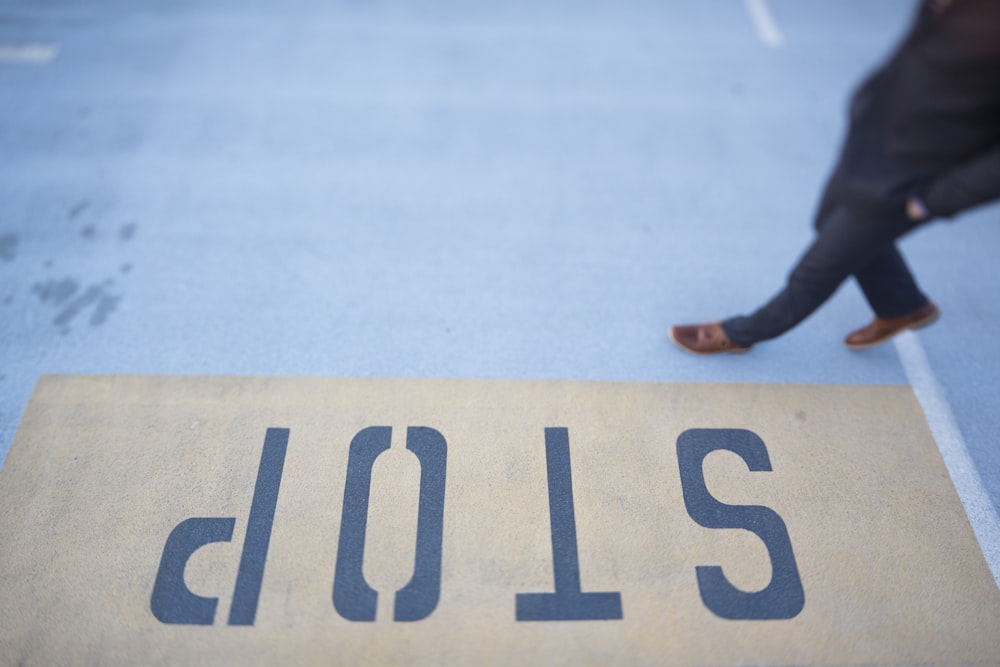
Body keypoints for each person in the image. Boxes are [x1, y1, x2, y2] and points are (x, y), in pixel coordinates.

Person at [670, 0, 1000, 355]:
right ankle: (902, 306)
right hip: (873, 140)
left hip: (912, 179)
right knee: (827, 220)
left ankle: (741, 333)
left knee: (816, 271)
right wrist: (866, 102)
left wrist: (936, 200)